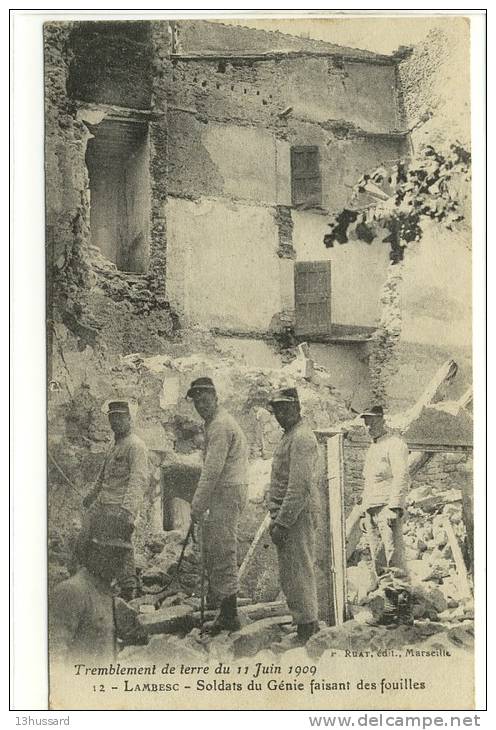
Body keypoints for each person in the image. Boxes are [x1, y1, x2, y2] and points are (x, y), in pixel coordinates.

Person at [187, 377, 249, 634]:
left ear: (215, 398)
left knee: (223, 549)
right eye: (196, 401)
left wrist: (196, 505)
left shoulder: (220, 426)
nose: (200, 405)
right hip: (226, 491)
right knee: (215, 547)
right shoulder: (214, 423)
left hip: (227, 491)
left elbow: (212, 472)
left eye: (204, 400)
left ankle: (229, 614)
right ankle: (221, 602)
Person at [50, 510, 147, 667]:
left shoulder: (109, 596)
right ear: (92, 553)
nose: (120, 562)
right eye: (112, 554)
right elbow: (53, 661)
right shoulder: (71, 591)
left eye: (123, 554)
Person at [79, 400, 149, 600]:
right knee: (93, 544)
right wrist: (90, 496)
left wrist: (127, 511)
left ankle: (129, 592)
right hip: (102, 505)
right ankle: (98, 588)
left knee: (122, 549)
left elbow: (138, 480)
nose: (116, 422)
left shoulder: (136, 446)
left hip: (119, 508)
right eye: (112, 418)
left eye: (120, 417)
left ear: (129, 419)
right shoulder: (113, 446)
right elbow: (102, 477)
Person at [268, 387, 320, 644]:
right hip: (285, 515)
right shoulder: (290, 436)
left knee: (299, 571)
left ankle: (309, 628)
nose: (280, 415)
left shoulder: (302, 437)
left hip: (295, 516)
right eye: (276, 410)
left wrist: (283, 522)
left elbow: (298, 487)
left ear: (297, 408)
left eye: (285, 409)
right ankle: (303, 623)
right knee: (291, 573)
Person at [359, 405, 410, 580]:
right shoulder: (373, 448)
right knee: (378, 558)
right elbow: (369, 481)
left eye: (372, 422)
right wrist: (363, 512)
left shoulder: (395, 444)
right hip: (371, 509)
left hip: (387, 508)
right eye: (366, 423)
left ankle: (402, 601)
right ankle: (388, 600)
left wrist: (395, 507)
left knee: (394, 557)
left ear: (382, 420)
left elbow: (401, 475)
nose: (368, 427)